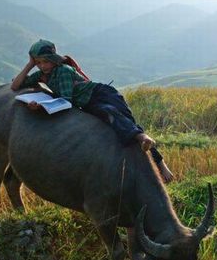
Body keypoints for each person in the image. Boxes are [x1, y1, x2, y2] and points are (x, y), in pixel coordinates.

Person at [11, 39, 174, 183]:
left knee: (115, 116)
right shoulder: (42, 74)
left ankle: (156, 157)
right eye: (38, 63)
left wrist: (41, 106)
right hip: (88, 102)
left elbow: (66, 101)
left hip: (102, 95)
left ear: (53, 60)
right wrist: (29, 65)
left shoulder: (63, 72)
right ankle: (142, 144)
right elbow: (15, 85)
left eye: (45, 62)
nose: (42, 66)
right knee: (115, 120)